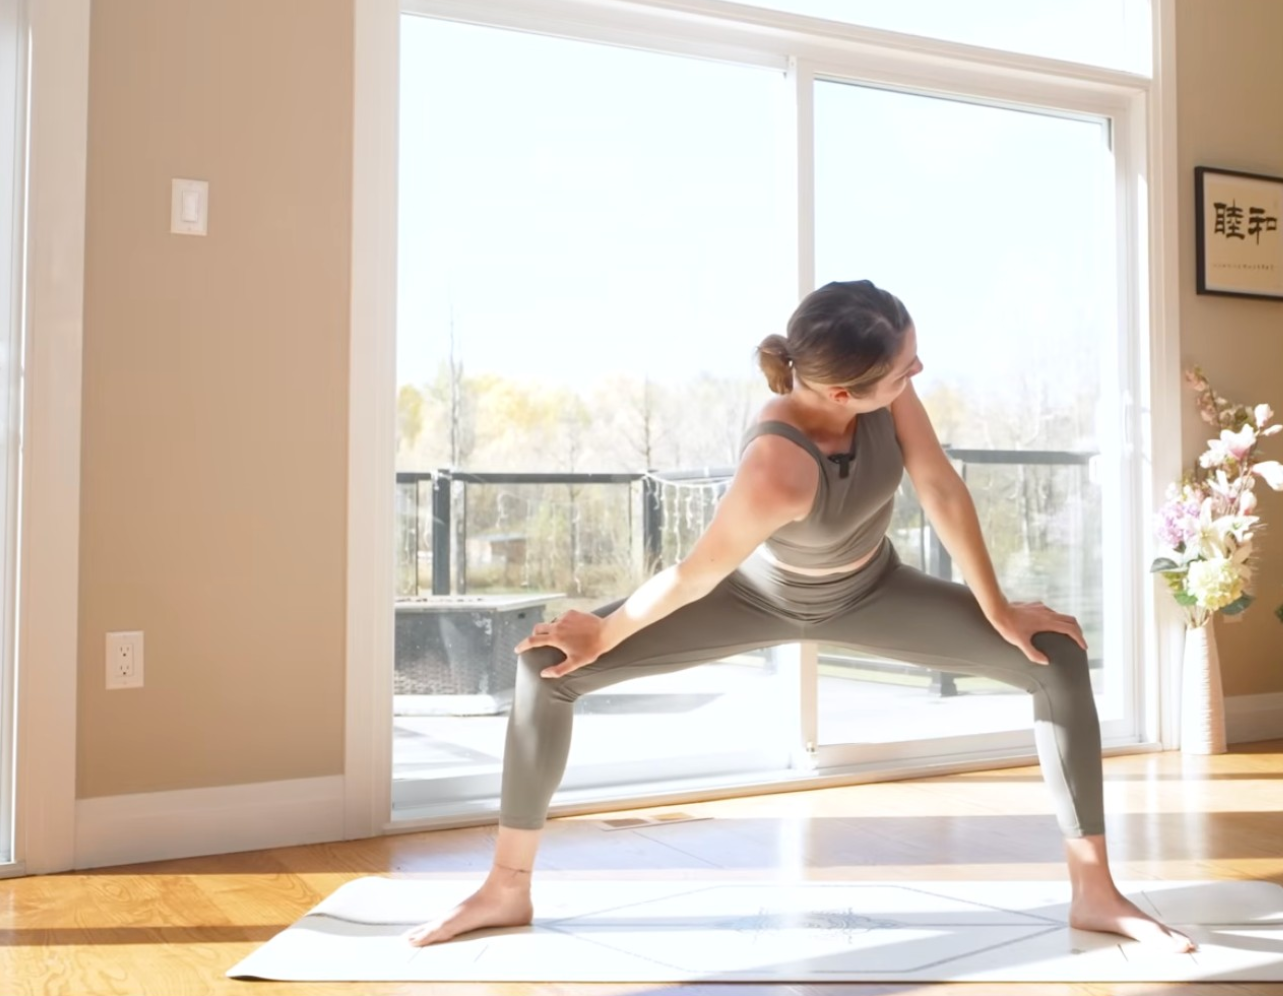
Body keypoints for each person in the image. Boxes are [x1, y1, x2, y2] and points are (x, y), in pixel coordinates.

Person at [405, 280, 1195, 953]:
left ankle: (1096, 892)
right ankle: (506, 887)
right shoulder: (776, 469)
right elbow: (693, 575)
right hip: (752, 596)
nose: (916, 370)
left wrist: (1001, 610)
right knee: (546, 669)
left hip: (874, 591)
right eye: (902, 368)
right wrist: (603, 633)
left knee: (1051, 657)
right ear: (841, 393)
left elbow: (942, 490)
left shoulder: (885, 382)